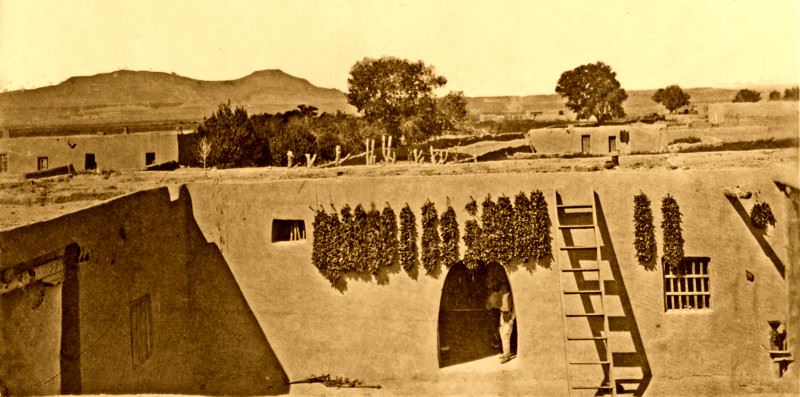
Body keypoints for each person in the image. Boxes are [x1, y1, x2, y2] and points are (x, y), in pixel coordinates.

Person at [486, 280, 515, 364]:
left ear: (507, 287)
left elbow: (514, 309)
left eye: (504, 287)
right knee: (502, 334)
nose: (502, 289)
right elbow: (498, 305)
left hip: (508, 317)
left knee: (506, 335)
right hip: (502, 315)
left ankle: (507, 355)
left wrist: (512, 319)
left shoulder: (510, 296)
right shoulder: (502, 295)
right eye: (502, 287)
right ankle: (506, 352)